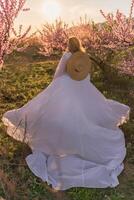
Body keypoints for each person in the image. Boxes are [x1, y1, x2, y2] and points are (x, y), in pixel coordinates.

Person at [1, 36, 130, 191]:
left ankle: (63, 141)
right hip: (83, 86)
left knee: (54, 112)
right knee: (84, 114)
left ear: (69, 45)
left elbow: (58, 75)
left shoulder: (67, 56)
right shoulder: (83, 56)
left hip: (66, 87)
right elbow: (85, 75)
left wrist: (57, 87)